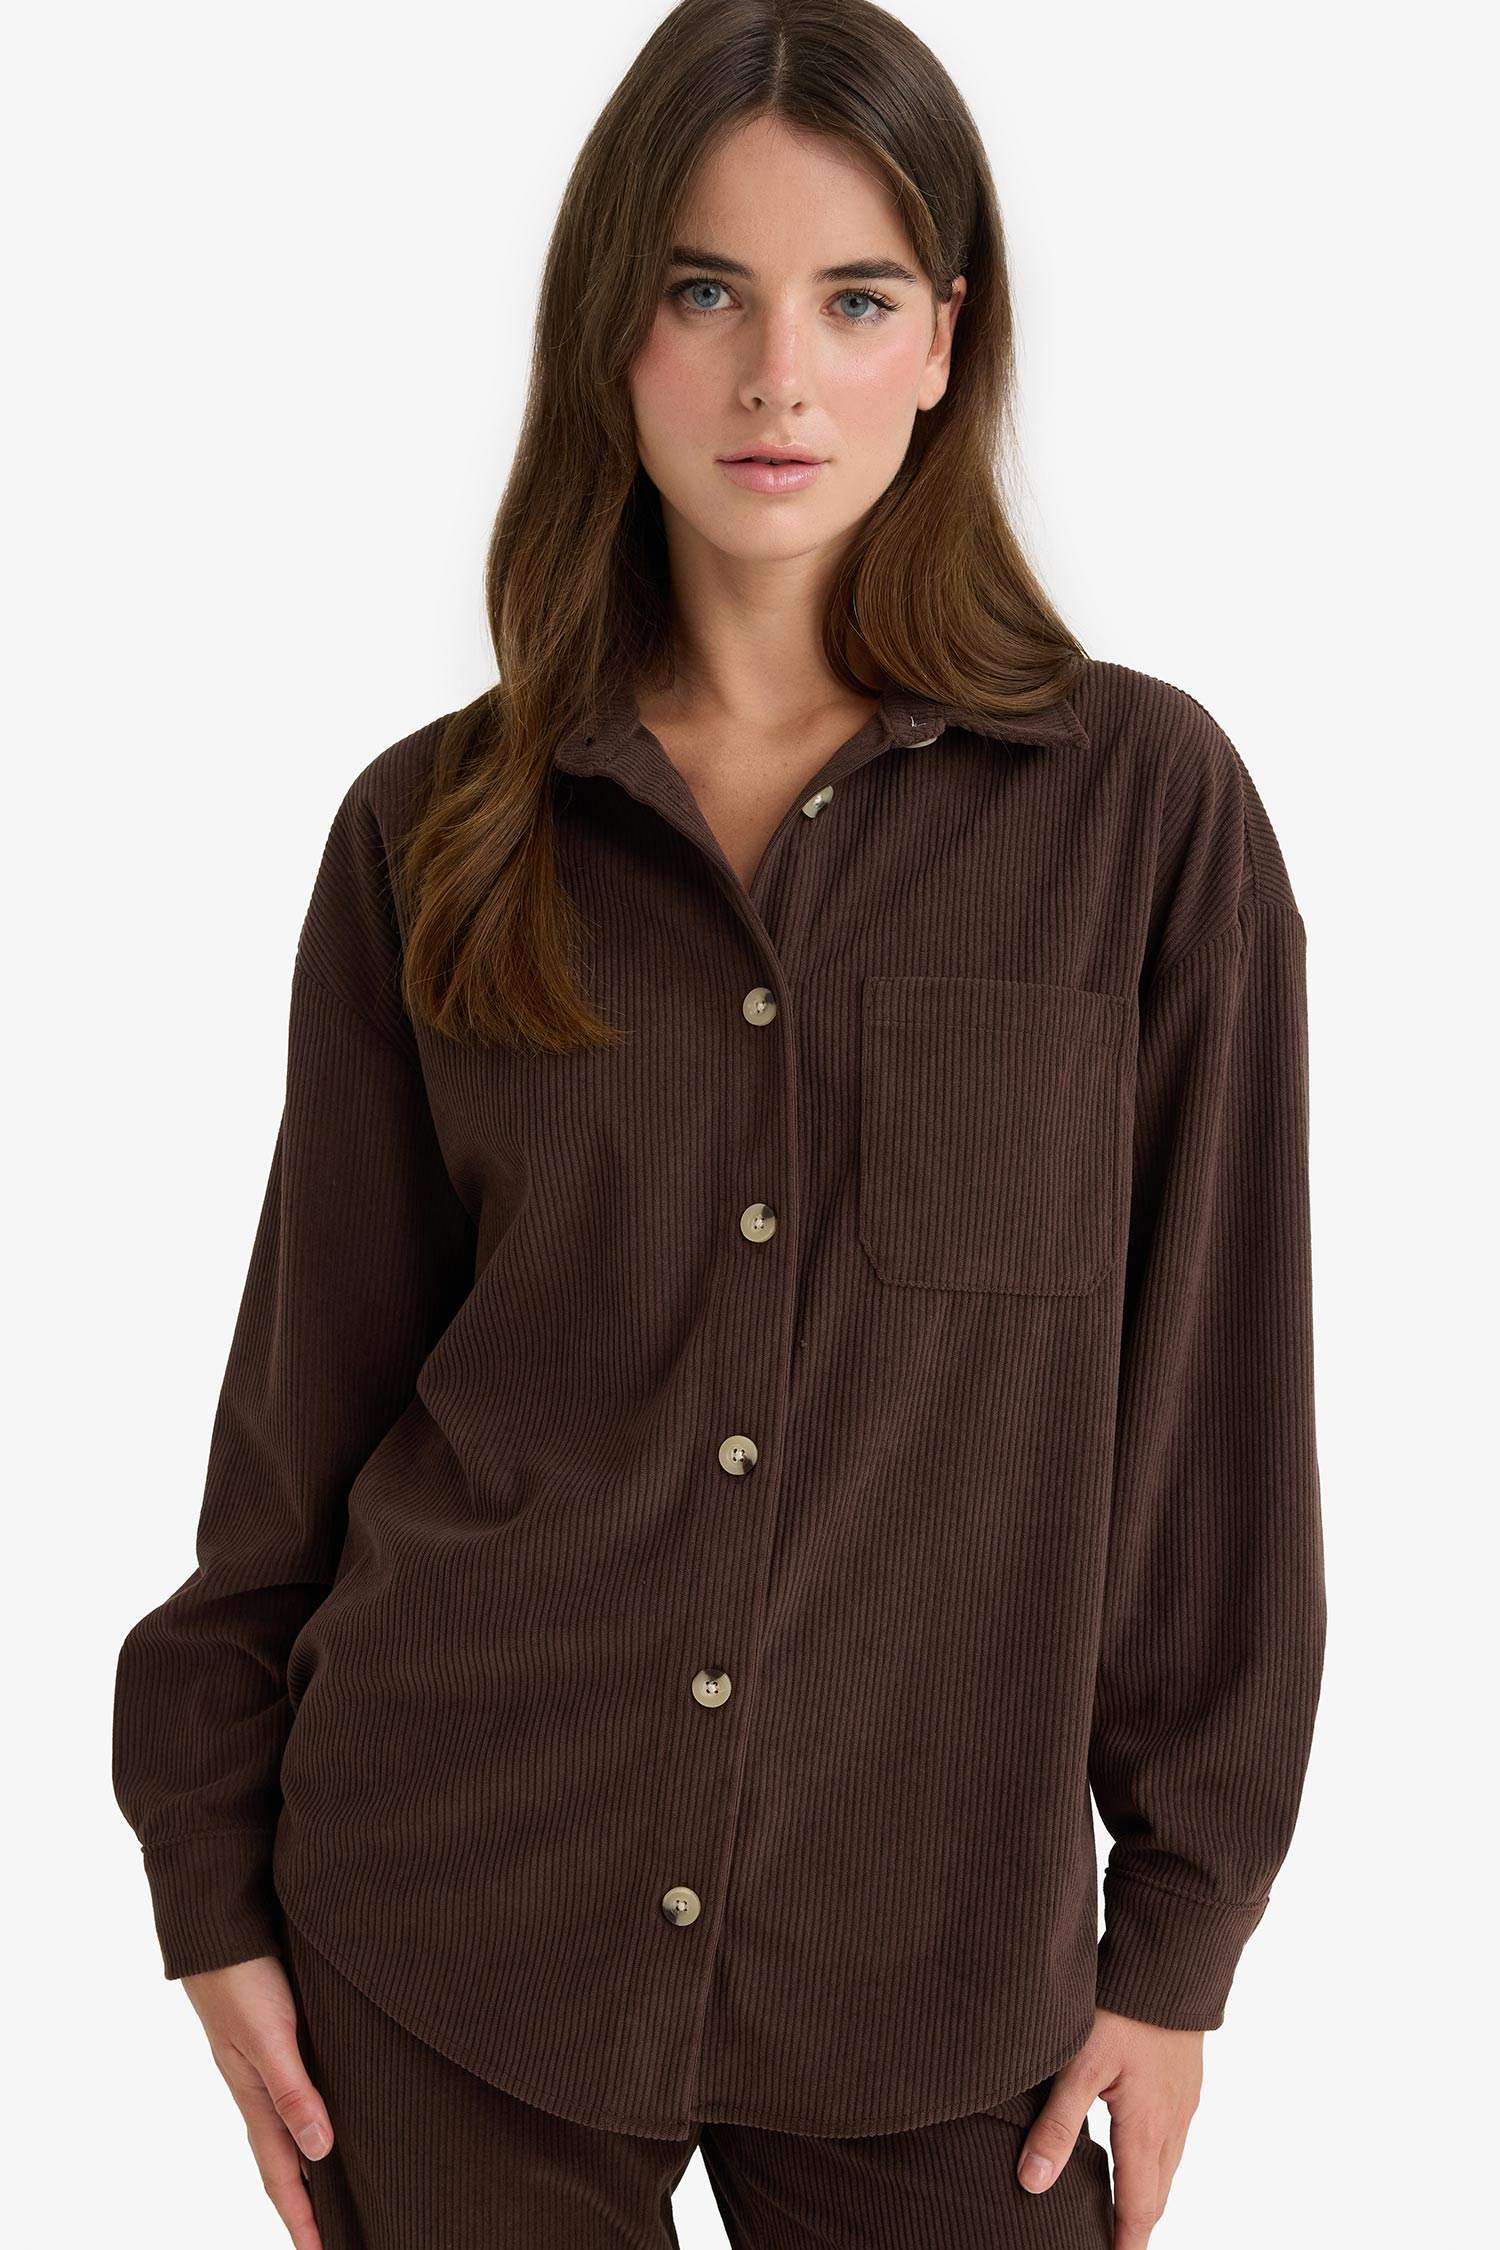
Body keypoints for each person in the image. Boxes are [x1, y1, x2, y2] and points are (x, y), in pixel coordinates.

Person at [111, 3, 1327, 2245]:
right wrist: (209, 1879)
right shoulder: (431, 832)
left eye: (853, 300)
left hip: (938, 1973)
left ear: (945, 339)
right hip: (451, 1925)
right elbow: (305, 1416)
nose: (780, 376)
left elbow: (1213, 1429)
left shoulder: (1146, 819)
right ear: (616, 332)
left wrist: (1181, 1935)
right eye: (706, 291)